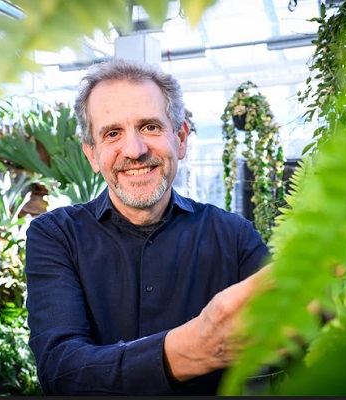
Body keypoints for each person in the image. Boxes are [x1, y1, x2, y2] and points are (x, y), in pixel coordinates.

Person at [25, 58, 272, 395]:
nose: (135, 150)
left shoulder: (235, 237)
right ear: (92, 155)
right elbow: (62, 372)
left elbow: (292, 339)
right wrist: (196, 347)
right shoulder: (56, 236)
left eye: (150, 127)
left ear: (181, 138)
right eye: (112, 133)